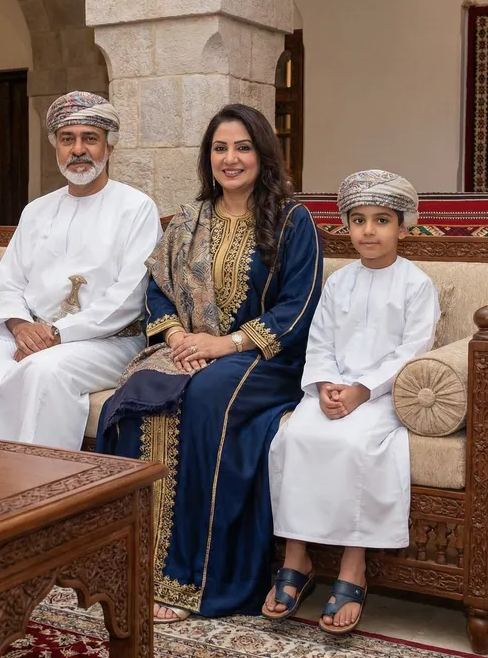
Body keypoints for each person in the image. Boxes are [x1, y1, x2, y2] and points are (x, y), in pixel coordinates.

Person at [96, 103, 323, 624]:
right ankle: (135, 566)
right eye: (220, 148)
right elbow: (157, 289)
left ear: (263, 154)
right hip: (191, 350)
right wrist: (177, 336)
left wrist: (225, 344)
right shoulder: (191, 218)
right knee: (131, 400)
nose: (231, 158)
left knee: (203, 396)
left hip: (268, 359)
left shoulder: (292, 219)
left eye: (242, 146)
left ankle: (194, 579)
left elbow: (299, 306)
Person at [0, 91, 162, 450]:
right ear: (56, 146)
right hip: (30, 334)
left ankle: (39, 490)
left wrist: (55, 334)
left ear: (109, 148)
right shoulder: (36, 210)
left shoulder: (136, 208)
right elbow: (8, 282)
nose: (78, 149)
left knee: (43, 371)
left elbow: (128, 298)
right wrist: (21, 326)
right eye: (68, 139)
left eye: (90, 139)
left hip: (110, 342)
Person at [266, 170, 441, 635]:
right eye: (358, 220)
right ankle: (297, 558)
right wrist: (325, 383)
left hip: (383, 396)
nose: (368, 230)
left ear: (404, 228)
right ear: (346, 225)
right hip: (331, 390)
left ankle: (352, 565)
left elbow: (412, 351)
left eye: (381, 220)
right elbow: (318, 340)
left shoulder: (416, 285)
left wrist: (364, 389)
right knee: (294, 435)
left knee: (356, 446)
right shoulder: (338, 281)